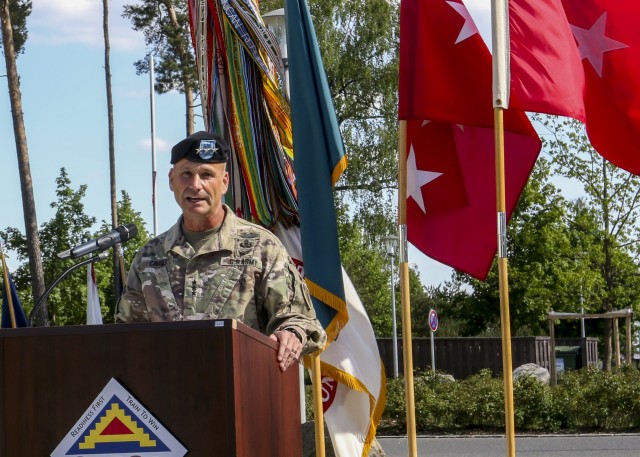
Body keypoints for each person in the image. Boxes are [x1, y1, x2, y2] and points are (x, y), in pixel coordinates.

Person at [116, 131, 326, 372]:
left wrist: (291, 334)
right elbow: (126, 333)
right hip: (165, 397)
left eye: (206, 175)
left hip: (243, 390)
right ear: (172, 180)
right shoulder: (149, 257)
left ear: (224, 181)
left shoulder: (262, 247)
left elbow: (301, 320)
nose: (196, 185)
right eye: (186, 174)